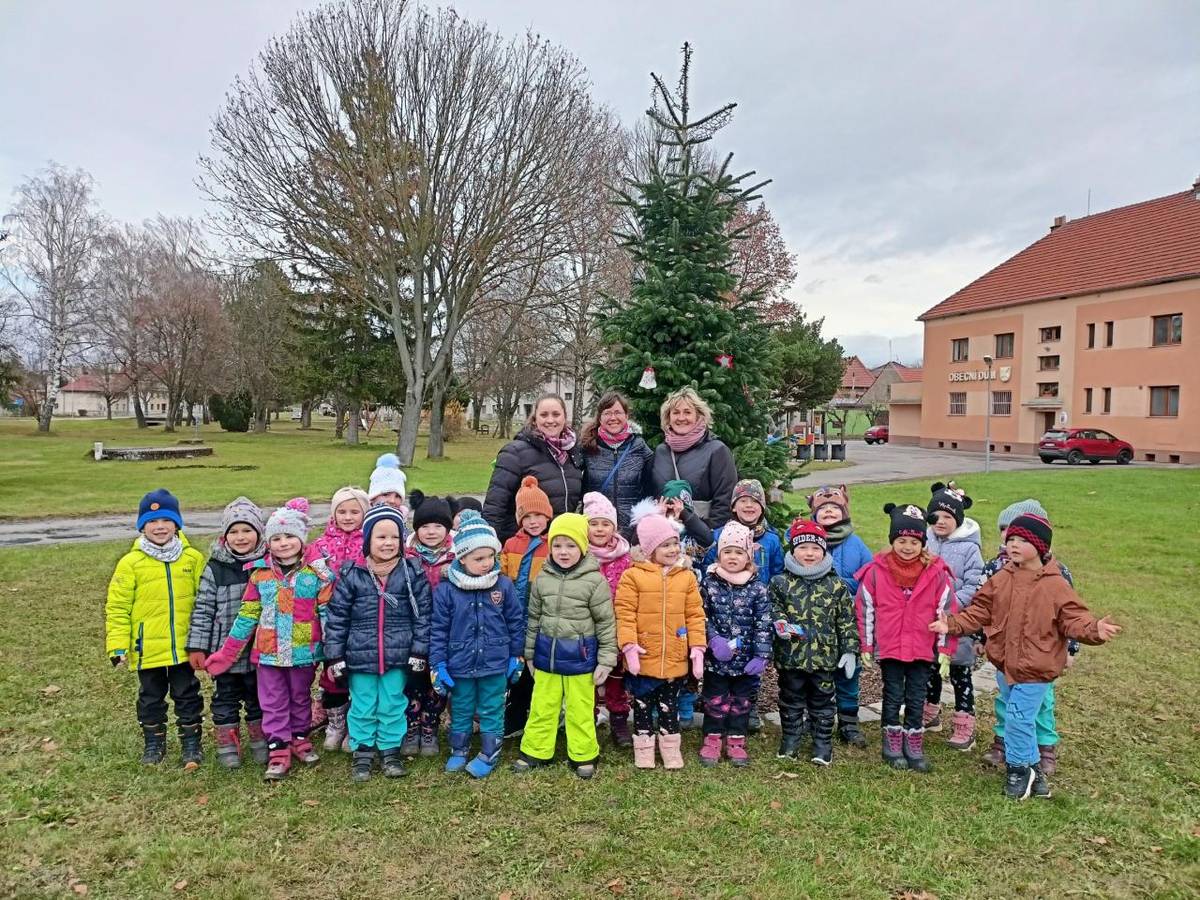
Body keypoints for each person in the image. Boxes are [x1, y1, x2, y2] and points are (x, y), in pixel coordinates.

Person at [930, 513, 1121, 800]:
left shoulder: (1055, 585)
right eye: (1011, 539)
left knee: (1018, 719)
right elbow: (979, 611)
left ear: (1040, 546)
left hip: (1036, 668)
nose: (1013, 545)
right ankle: (1035, 772)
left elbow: (1073, 619)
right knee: (1018, 718)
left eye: (1022, 540)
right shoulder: (1001, 578)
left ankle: (1018, 769)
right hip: (1005, 665)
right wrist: (953, 624)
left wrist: (1094, 629)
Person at [205, 498, 334, 782]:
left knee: (300, 697)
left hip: (303, 653)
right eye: (276, 538)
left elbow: (327, 613)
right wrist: (228, 653)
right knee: (273, 701)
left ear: (302, 539)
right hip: (268, 655)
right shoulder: (260, 574)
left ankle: (299, 737)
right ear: (268, 542)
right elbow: (247, 615)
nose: (283, 543)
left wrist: (333, 652)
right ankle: (278, 747)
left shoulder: (316, 574)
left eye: (289, 536)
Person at [323, 505, 432, 782]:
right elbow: (337, 618)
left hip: (399, 654)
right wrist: (335, 657)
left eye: (395, 537)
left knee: (392, 702)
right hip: (359, 655)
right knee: (363, 703)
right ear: (368, 540)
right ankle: (363, 750)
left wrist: (419, 652)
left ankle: (390, 749)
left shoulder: (411, 573)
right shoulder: (353, 575)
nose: (388, 543)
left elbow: (423, 616)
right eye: (381, 537)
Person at [106, 489, 206, 769]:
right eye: (152, 521)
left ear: (177, 524)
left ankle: (191, 743)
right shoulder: (131, 563)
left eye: (166, 520)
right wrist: (118, 645)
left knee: (187, 695)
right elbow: (117, 607)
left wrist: (205, 640)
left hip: (183, 647)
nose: (160, 526)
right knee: (150, 698)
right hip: (147, 647)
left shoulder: (192, 559)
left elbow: (204, 601)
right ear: (142, 526)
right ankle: (154, 742)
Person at [855, 503, 957, 773]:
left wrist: (944, 649)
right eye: (901, 541)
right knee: (892, 694)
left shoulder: (936, 572)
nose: (907, 547)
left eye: (914, 542)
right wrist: (867, 645)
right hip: (891, 646)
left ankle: (913, 741)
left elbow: (946, 611)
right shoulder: (876, 571)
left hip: (922, 647)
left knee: (916, 695)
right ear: (892, 541)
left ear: (923, 543)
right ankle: (891, 741)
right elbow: (865, 609)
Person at [514, 513, 617, 780]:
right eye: (557, 545)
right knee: (542, 706)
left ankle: (583, 754)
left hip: (580, 659)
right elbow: (533, 619)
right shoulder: (542, 578)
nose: (563, 551)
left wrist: (606, 661)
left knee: (579, 708)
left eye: (571, 545)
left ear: (582, 547)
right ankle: (536, 750)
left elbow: (606, 623)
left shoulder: (595, 582)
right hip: (546, 657)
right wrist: (529, 654)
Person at [980, 499, 1079, 773]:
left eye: (1020, 536)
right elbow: (982, 607)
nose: (1008, 539)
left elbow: (1069, 614)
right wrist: (980, 638)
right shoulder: (995, 569)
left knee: (1042, 701)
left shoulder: (1056, 574)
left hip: (1039, 654)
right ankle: (1004, 740)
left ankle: (1045, 745)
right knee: (1006, 697)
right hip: (1006, 651)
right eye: (1005, 531)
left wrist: (1070, 649)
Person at [429, 511, 524, 778]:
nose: (486, 563)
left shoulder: (503, 585)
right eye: (478, 559)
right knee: (461, 707)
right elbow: (438, 629)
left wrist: (516, 656)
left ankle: (489, 752)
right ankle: (459, 750)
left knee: (492, 707)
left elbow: (515, 621)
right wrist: (438, 664)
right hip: (460, 663)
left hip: (495, 662)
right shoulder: (447, 590)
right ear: (462, 558)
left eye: (490, 557)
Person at [614, 513, 706, 770]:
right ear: (650, 549)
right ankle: (644, 750)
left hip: (674, 656)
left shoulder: (686, 577)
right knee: (642, 706)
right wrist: (629, 646)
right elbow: (625, 613)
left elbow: (695, 614)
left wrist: (697, 647)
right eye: (666, 545)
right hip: (644, 655)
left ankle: (670, 749)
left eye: (675, 543)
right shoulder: (633, 576)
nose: (673, 549)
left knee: (669, 706)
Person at [185, 496, 268, 770]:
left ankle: (260, 739)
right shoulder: (216, 567)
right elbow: (203, 609)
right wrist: (197, 646)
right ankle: (227, 742)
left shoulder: (268, 564)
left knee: (258, 697)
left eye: (247, 530)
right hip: (225, 651)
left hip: (259, 649)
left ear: (259, 533)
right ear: (225, 535)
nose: (240, 537)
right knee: (225, 698)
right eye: (234, 531)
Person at [771, 520, 859, 766]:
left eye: (815, 548)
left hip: (824, 658)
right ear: (793, 550)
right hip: (791, 657)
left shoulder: (836, 585)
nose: (809, 553)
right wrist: (780, 623)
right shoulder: (780, 583)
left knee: (823, 702)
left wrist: (850, 650)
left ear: (823, 551)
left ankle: (822, 743)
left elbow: (846, 621)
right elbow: (774, 609)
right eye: (803, 548)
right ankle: (791, 739)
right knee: (790, 700)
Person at [698, 522, 771, 767]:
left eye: (738, 552)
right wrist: (713, 639)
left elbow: (763, 622)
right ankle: (712, 738)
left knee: (742, 703)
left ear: (748, 557)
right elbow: (700, 616)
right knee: (714, 700)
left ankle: (736, 740)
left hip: (745, 661)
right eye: (727, 551)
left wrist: (761, 656)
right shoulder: (709, 583)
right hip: (716, 661)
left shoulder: (758, 588)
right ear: (719, 555)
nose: (732, 557)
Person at [807, 485, 873, 748]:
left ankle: (848, 721)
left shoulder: (856, 544)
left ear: (844, 512)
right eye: (823, 508)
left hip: (847, 620)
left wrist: (843, 585)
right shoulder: (807, 543)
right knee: (817, 671)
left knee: (848, 672)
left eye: (834, 508)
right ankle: (816, 717)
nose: (829, 512)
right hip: (816, 620)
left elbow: (870, 579)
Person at [922, 482, 985, 750]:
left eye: (948, 516)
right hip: (928, 619)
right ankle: (930, 711)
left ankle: (964, 722)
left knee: (959, 672)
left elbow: (974, 584)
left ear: (958, 519)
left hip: (958, 622)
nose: (941, 521)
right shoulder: (925, 542)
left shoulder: (970, 549)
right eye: (935, 516)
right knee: (930, 667)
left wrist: (950, 606)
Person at [309, 485, 369, 753]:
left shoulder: (370, 542)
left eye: (354, 511)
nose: (347, 517)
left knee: (359, 672)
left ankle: (356, 722)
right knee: (332, 670)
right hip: (329, 618)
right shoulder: (320, 545)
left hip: (360, 618)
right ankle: (336, 721)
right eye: (341, 511)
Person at [483, 394, 584, 542]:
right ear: (535, 418)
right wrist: (488, 543)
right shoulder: (514, 452)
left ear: (564, 417)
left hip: (559, 544)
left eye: (556, 414)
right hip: (522, 545)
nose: (550, 420)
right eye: (544, 415)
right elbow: (495, 505)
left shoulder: (574, 452)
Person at [500, 476, 553, 736]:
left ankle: (541, 717)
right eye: (527, 516)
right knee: (517, 670)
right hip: (514, 617)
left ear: (548, 516)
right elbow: (502, 576)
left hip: (540, 618)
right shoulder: (511, 544)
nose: (533, 521)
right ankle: (515, 717)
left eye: (538, 515)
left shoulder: (553, 544)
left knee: (538, 671)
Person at [583, 492, 634, 747]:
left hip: (616, 625)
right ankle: (587, 718)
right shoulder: (581, 555)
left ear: (614, 527)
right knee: (589, 676)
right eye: (594, 523)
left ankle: (619, 720)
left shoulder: (624, 557)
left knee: (616, 676)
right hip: (588, 627)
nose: (600, 529)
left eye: (605, 524)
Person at [649, 387, 738, 530]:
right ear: (668, 417)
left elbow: (724, 501)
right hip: (663, 534)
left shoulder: (717, 451)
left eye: (687, 412)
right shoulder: (661, 452)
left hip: (699, 534)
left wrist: (705, 534)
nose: (681, 418)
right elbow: (650, 493)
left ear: (698, 416)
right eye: (675, 412)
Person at [579, 391, 655, 536]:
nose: (613, 418)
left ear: (626, 416)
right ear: (600, 418)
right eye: (607, 413)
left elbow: (651, 485)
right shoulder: (588, 447)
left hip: (632, 531)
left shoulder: (639, 446)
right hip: (597, 531)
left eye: (618, 412)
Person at [701, 479, 784, 586]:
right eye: (743, 501)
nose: (749, 505)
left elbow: (777, 573)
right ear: (734, 507)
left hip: (759, 595)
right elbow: (707, 567)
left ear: (762, 508)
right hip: (723, 594)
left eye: (755, 501)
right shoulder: (719, 535)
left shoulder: (772, 540)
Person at [406, 492, 456, 587]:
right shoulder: (407, 556)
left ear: (447, 530)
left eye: (438, 526)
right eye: (424, 526)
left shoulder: (458, 555)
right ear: (417, 530)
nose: (431, 532)